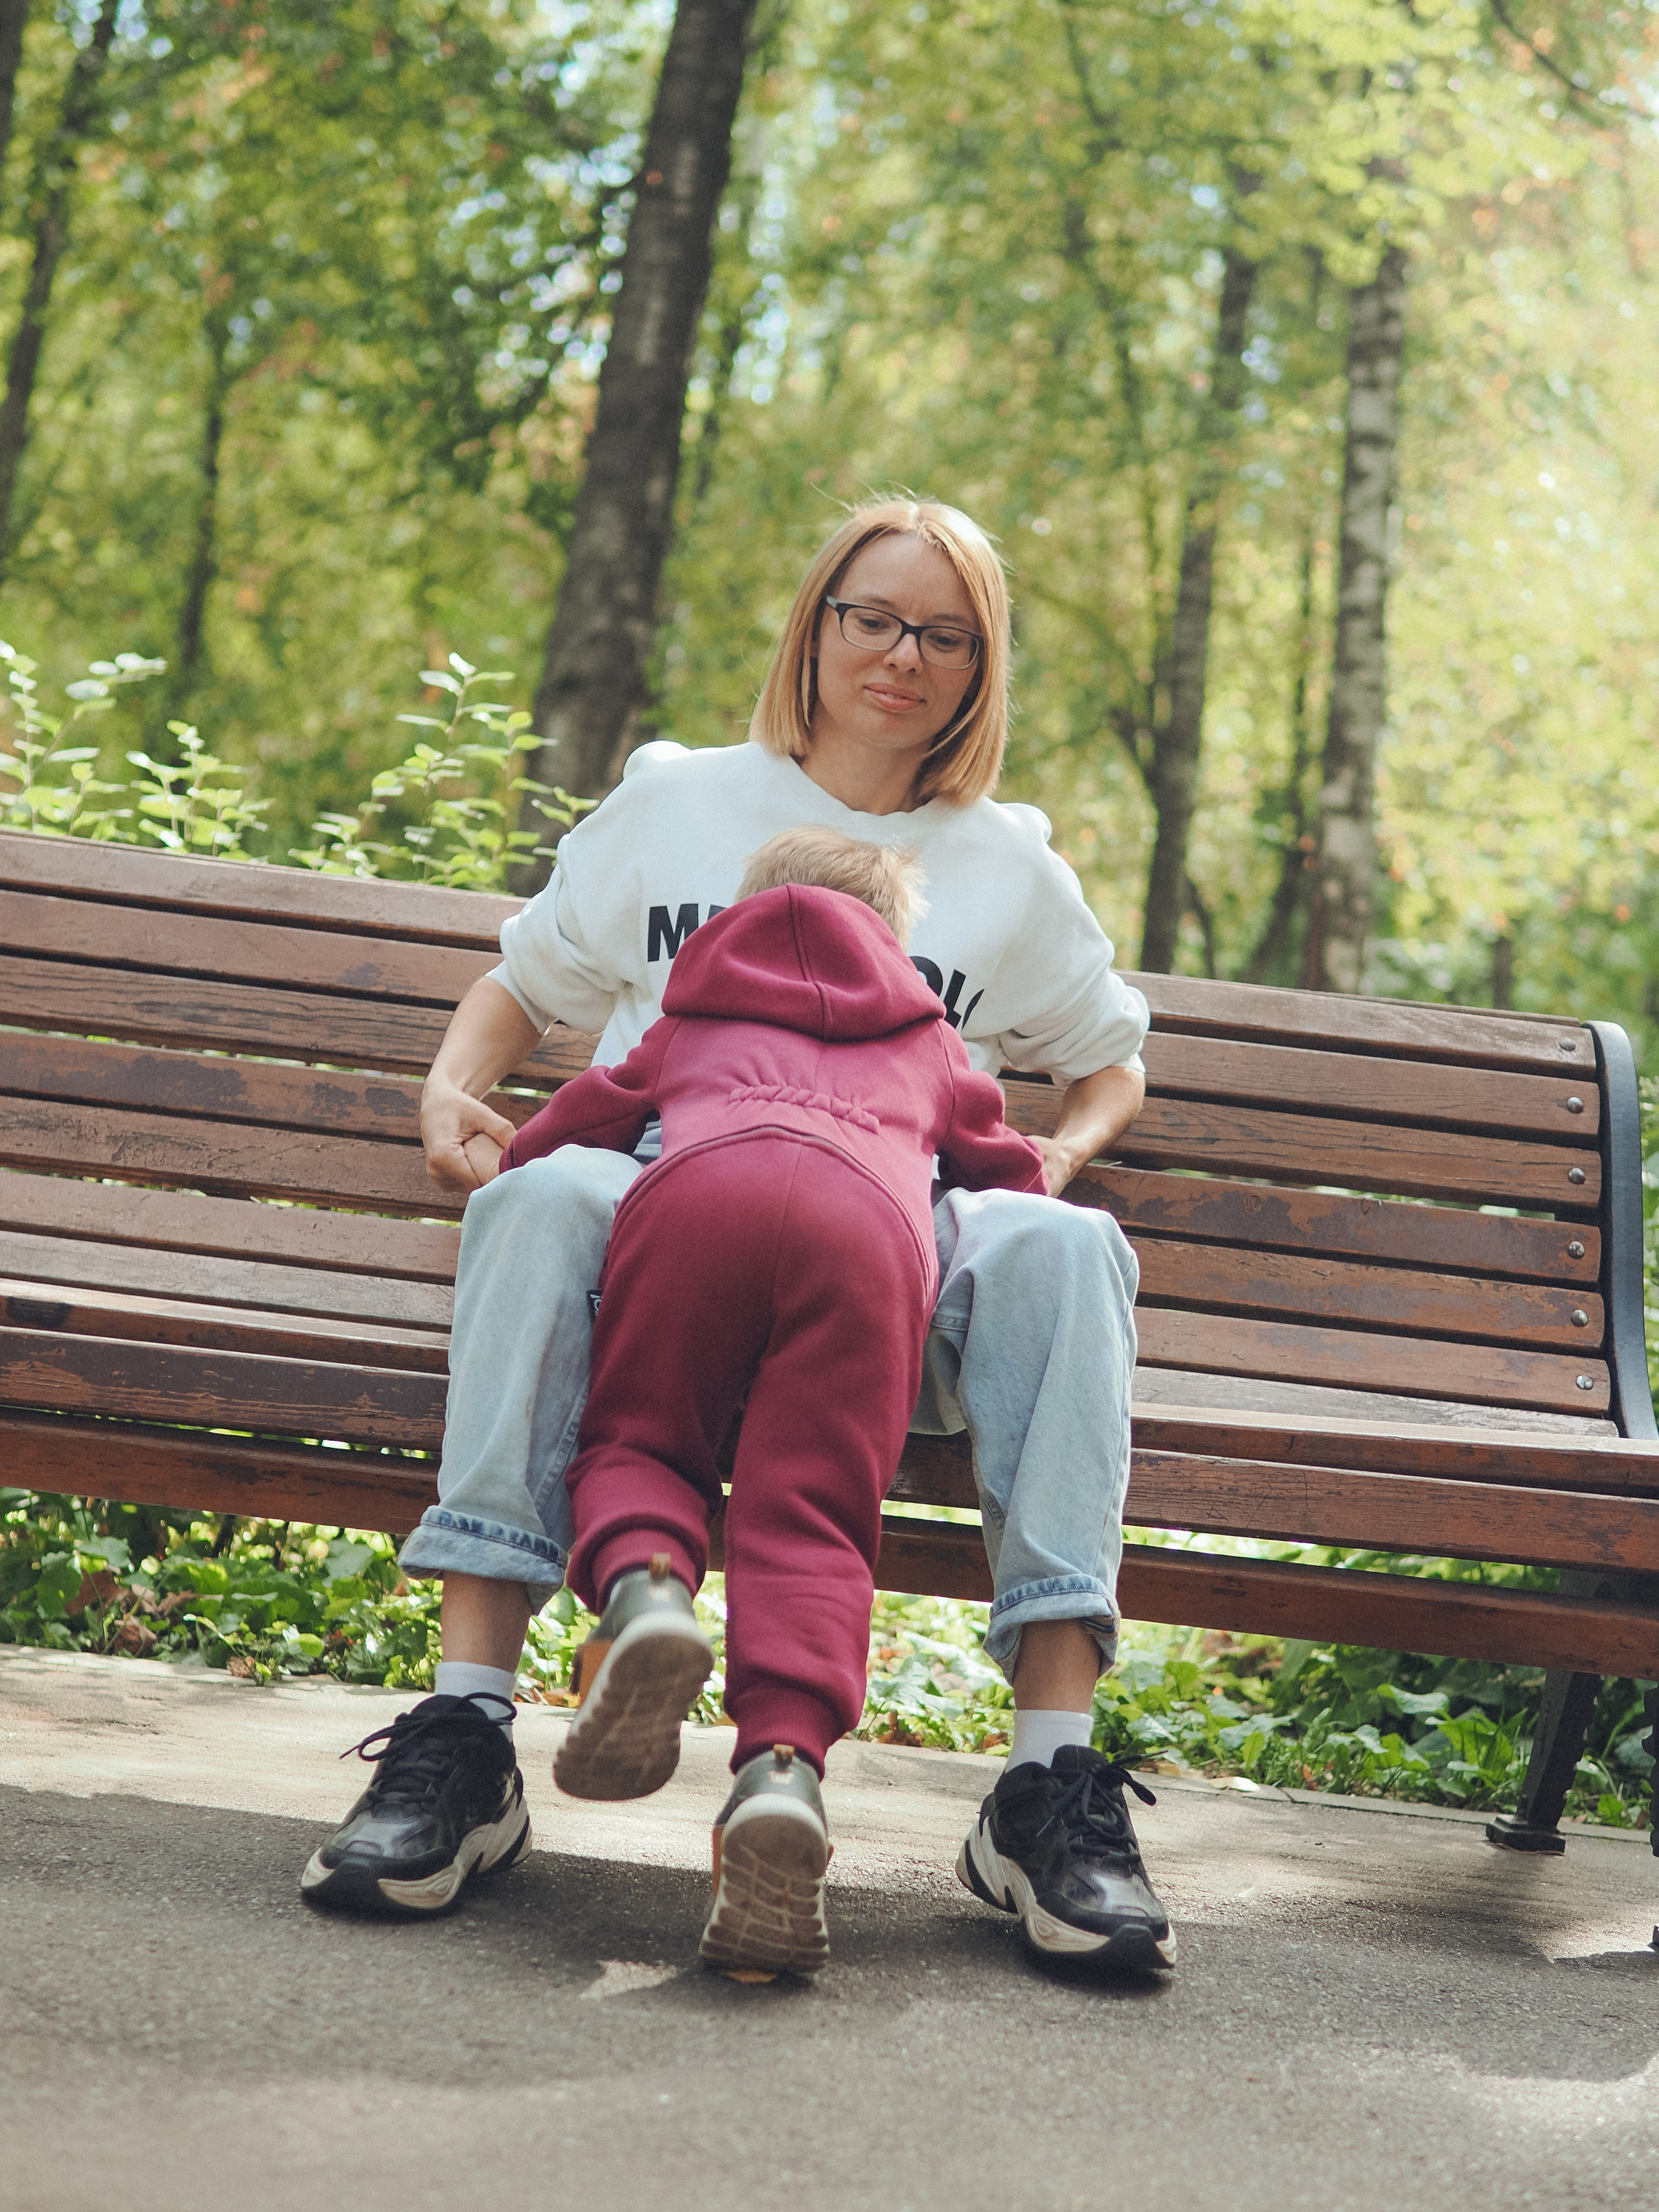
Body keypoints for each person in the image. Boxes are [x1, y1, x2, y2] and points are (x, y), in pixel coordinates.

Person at [301, 495, 1174, 1972]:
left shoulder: (1005, 864)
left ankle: (1044, 1783)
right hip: (656, 1178)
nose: (903, 655)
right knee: (535, 1195)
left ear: (980, 667)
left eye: (944, 635)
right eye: (873, 617)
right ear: (816, 622)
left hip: (896, 1226)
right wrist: (456, 1087)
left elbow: (1109, 1056)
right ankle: (466, 1735)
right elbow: (530, 984)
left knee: (1065, 1248)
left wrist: (1054, 1158)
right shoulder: (676, 797)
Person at [497, 828, 1048, 1973]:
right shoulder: (928, 1035)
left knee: (643, 1434)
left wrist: (512, 1160)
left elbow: (585, 1118)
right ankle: (782, 1772)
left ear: (746, 916)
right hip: (869, 1241)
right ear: (895, 941)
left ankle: (648, 1592)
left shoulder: (697, 1011)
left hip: (702, 1195)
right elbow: (1007, 1172)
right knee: (813, 1514)